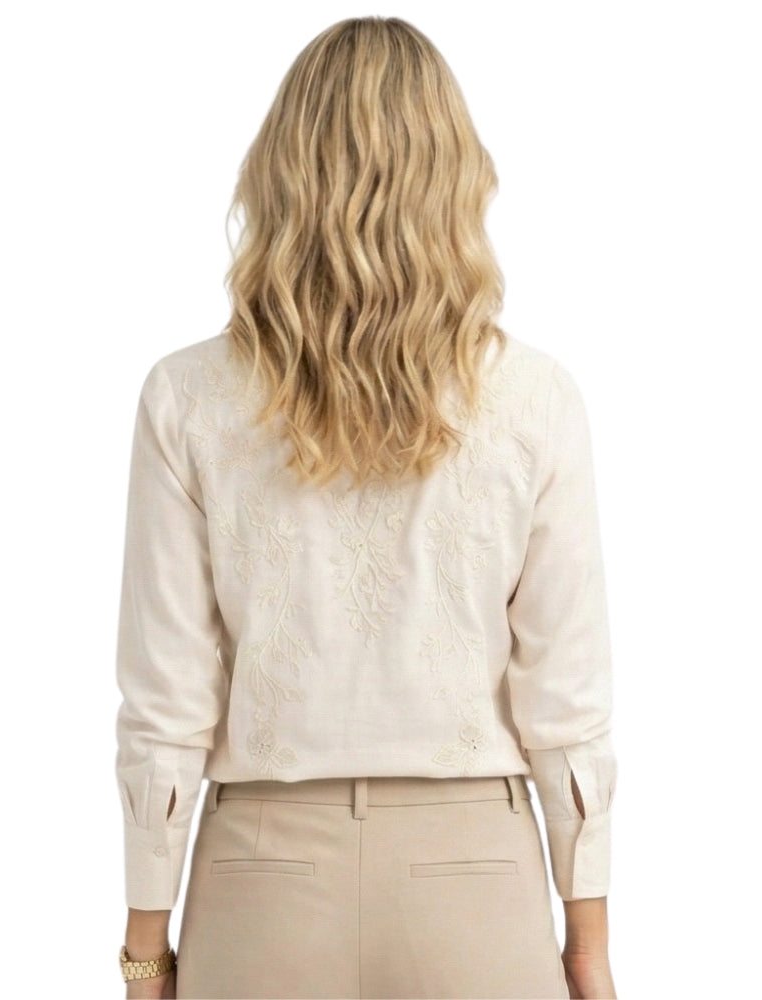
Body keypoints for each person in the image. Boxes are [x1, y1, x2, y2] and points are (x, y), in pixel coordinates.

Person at [113, 15, 618, 1000]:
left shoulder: (186, 396)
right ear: (457, 177)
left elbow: (166, 698)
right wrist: (588, 943)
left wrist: (145, 951)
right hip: (476, 879)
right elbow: (568, 695)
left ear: (279, 173)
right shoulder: (535, 399)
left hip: (261, 876)